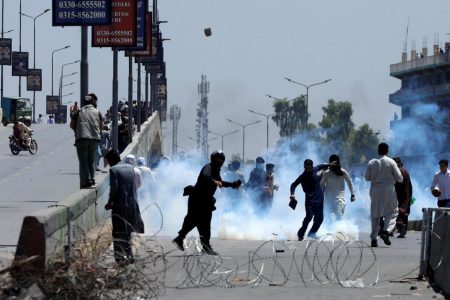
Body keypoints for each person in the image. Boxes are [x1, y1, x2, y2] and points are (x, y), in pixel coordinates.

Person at [172, 151, 242, 255]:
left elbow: (221, 183)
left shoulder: (216, 170)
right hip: (197, 198)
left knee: (202, 223)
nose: (220, 161)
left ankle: (202, 245)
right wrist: (214, 181)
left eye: (221, 159)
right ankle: (195, 242)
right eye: (217, 158)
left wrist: (232, 184)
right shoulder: (208, 167)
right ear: (213, 159)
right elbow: (205, 176)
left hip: (205, 200)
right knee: (195, 220)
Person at [104, 149, 144, 264]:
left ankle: (120, 258)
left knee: (117, 232)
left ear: (112, 160)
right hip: (133, 205)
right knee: (128, 232)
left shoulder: (113, 170)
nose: (108, 164)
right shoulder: (131, 169)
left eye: (108, 161)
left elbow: (114, 188)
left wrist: (109, 202)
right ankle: (130, 255)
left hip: (120, 206)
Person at [365, 143, 403, 247]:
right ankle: (386, 231)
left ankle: (374, 239)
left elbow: (367, 177)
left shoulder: (372, 162)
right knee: (393, 212)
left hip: (375, 190)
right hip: (388, 190)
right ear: (387, 151)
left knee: (375, 214)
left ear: (378, 151)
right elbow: (400, 178)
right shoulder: (391, 162)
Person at [290, 159, 329, 241]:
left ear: (312, 167)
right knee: (309, 217)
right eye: (305, 168)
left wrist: (330, 165)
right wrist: (292, 194)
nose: (307, 170)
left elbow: (322, 166)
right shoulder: (303, 176)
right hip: (309, 200)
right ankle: (300, 234)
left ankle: (312, 233)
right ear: (304, 167)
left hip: (319, 198)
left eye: (309, 168)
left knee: (320, 218)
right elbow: (293, 185)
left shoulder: (315, 169)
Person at [70, 93, 103, 189]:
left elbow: (72, 125)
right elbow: (101, 126)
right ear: (93, 102)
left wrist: (80, 128)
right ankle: (92, 179)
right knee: (91, 159)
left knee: (83, 160)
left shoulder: (78, 112)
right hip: (94, 139)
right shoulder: (98, 112)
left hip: (82, 138)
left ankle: (87, 180)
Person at [320, 154, 356, 222]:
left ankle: (339, 231)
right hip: (328, 200)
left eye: (336, 162)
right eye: (333, 162)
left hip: (340, 199)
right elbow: (321, 184)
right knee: (327, 218)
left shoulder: (343, 172)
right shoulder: (327, 173)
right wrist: (323, 190)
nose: (334, 164)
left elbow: (349, 182)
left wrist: (352, 194)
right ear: (330, 163)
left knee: (339, 216)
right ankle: (328, 231)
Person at [393, 157, 413, 238]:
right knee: (404, 213)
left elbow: (395, 184)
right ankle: (402, 232)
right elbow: (410, 185)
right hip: (406, 195)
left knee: (398, 213)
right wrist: (410, 195)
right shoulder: (406, 171)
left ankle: (399, 228)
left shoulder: (398, 171)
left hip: (399, 195)